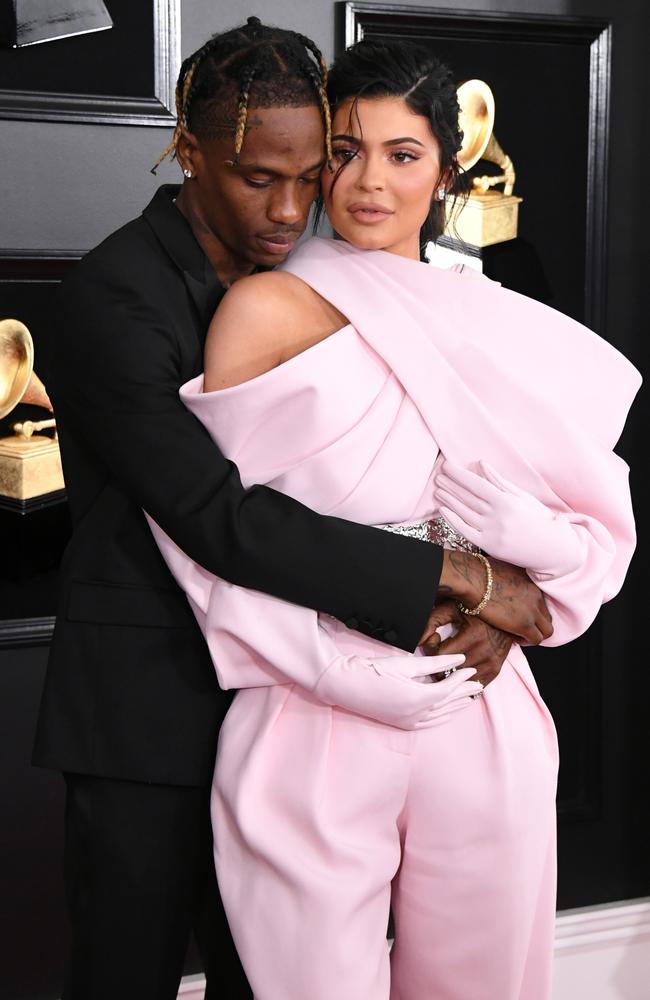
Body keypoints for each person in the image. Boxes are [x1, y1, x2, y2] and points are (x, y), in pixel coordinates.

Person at [31, 19, 550, 1000]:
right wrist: (449, 577)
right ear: (190, 151)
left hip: (293, 710)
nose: (287, 206)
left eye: (307, 175)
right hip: (144, 714)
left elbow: (399, 458)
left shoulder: (319, 277)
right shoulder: (111, 296)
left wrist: (485, 597)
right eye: (256, 177)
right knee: (122, 978)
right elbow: (213, 512)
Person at [148, 36, 640, 1000]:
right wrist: (330, 665)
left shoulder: (494, 319)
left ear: (447, 171)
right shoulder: (263, 308)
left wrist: (531, 552)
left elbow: (594, 545)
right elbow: (210, 540)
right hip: (313, 712)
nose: (367, 181)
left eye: (402, 154)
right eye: (344, 149)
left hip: (479, 705)